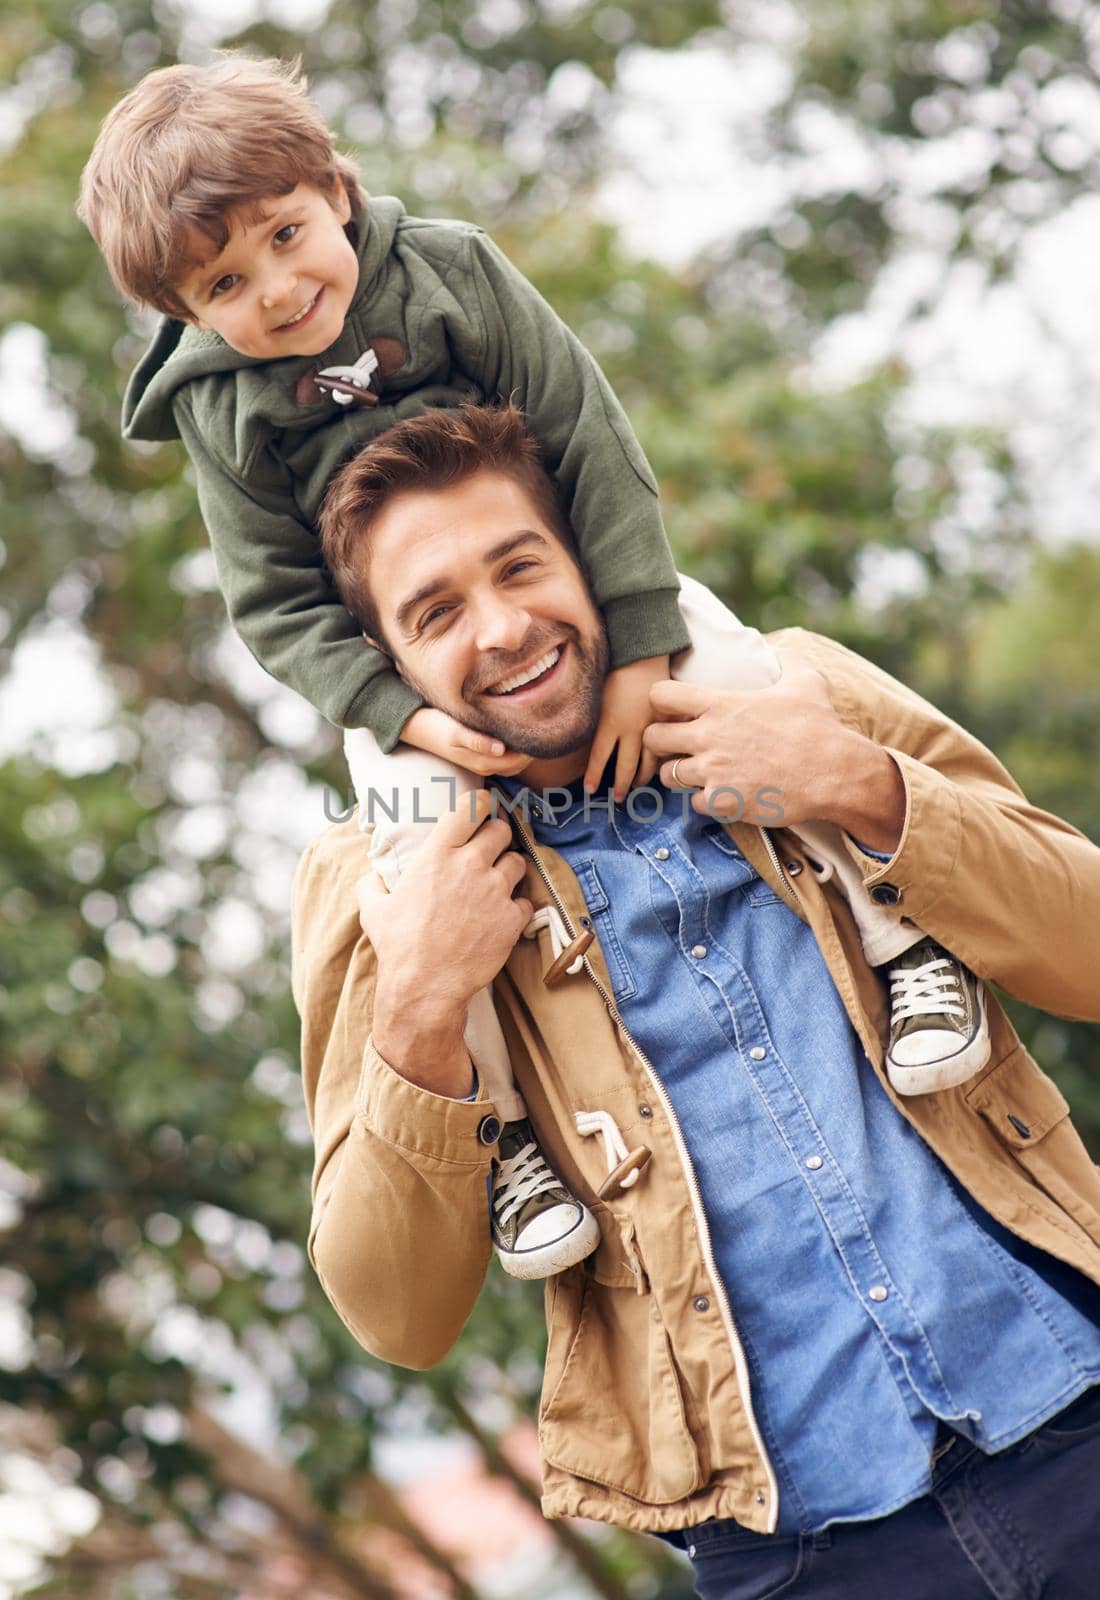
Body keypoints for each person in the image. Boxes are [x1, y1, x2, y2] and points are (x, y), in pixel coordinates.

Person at [78, 52, 986, 1280]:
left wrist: (636, 645)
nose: (279, 290)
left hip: (608, 596)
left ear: (335, 191)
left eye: (287, 236)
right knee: (420, 877)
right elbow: (273, 601)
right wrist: (398, 713)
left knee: (759, 700)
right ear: (189, 314)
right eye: (226, 283)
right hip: (400, 692)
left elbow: (590, 440)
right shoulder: (219, 413)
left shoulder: (450, 272)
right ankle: (506, 1139)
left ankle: (904, 951)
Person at [293, 405, 1100, 1599]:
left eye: (520, 566)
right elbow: (393, 1313)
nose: (505, 628)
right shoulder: (374, 888)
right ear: (387, 668)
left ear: (586, 557)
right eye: (438, 612)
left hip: (1072, 1404)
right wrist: (419, 1000)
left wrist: (868, 790)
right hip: (797, 1558)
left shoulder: (789, 685)